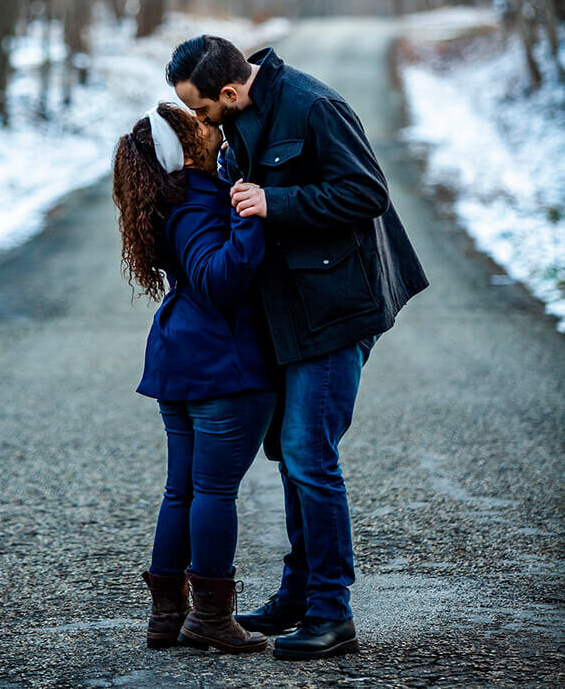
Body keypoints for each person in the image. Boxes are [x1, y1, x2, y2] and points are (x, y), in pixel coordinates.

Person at [166, 35, 429, 661]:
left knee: (309, 454)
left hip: (338, 308)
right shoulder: (244, 113)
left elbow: (368, 194)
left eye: (203, 111)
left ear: (230, 92)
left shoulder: (313, 106)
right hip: (289, 312)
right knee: (291, 454)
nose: (201, 124)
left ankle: (332, 613)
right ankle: (299, 595)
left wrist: (273, 200)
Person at [112, 102, 278, 655]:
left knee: (182, 490)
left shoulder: (170, 200)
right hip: (219, 364)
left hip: (183, 358)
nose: (213, 129)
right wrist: (250, 217)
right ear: (185, 148)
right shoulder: (200, 200)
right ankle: (209, 617)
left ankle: (167, 615)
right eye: (203, 125)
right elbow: (220, 279)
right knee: (210, 491)